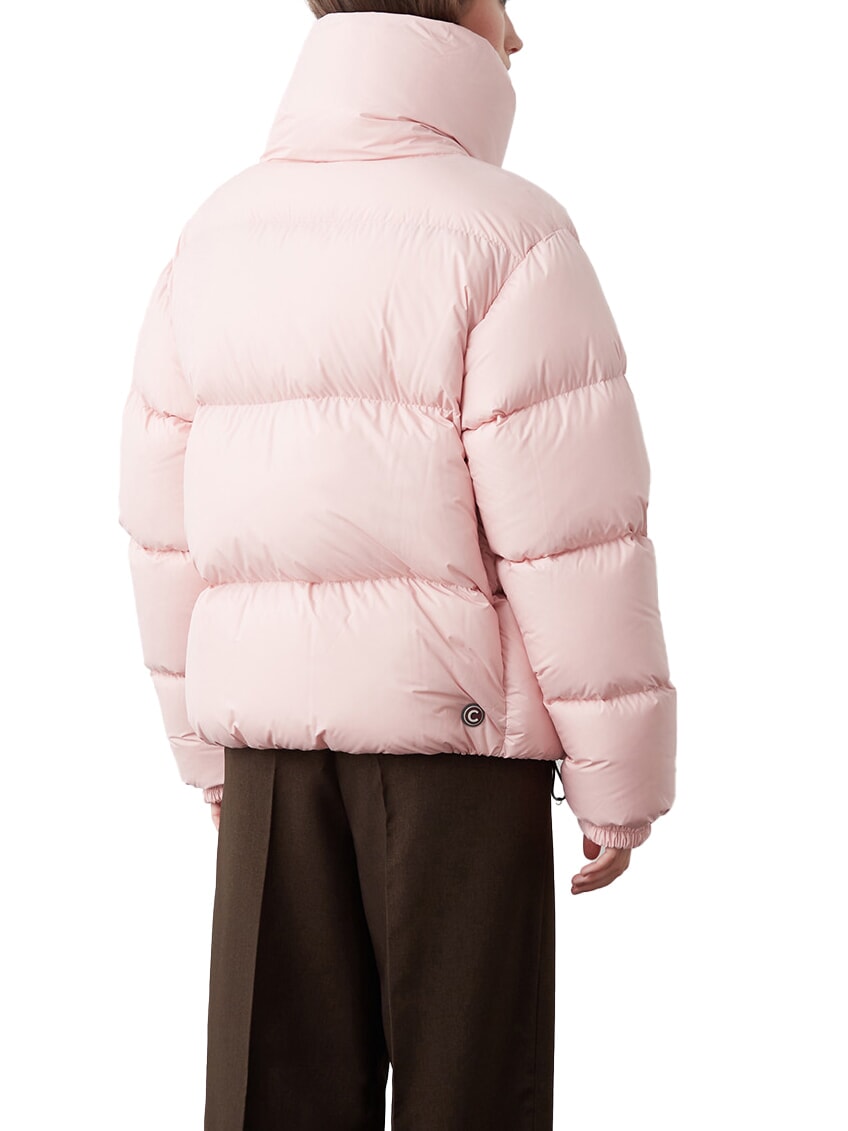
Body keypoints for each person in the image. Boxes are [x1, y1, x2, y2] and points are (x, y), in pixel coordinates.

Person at [117, 2, 677, 1128]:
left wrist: (204, 754)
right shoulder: (510, 235)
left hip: (269, 760)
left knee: (268, 1099)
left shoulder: (216, 230)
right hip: (457, 765)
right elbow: (570, 535)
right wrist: (619, 783)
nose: (518, 34)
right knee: (471, 1101)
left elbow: (160, 522)